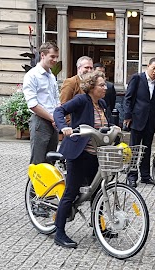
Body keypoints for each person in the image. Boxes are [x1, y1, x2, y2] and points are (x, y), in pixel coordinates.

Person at [53, 70, 111, 248]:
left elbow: (103, 126)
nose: (105, 88)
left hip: (95, 155)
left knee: (97, 192)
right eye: (101, 85)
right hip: (79, 153)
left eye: (104, 85)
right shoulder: (81, 100)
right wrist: (64, 128)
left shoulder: (101, 103)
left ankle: (98, 228)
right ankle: (59, 233)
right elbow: (59, 111)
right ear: (91, 87)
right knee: (70, 192)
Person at [123, 57, 155, 188]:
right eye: (154, 68)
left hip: (151, 122)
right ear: (148, 66)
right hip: (137, 119)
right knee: (134, 149)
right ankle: (131, 176)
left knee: (147, 149)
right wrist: (127, 116)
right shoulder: (137, 78)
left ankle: (145, 176)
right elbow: (128, 98)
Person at [22, 42, 60, 164]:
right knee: (38, 162)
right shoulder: (32, 76)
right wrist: (52, 118)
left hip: (52, 122)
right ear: (43, 55)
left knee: (50, 160)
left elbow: (56, 98)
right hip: (40, 121)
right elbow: (33, 104)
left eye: (56, 57)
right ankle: (33, 184)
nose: (55, 60)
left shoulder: (51, 76)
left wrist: (57, 116)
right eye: (52, 56)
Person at [59, 56, 94, 124]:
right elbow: (64, 103)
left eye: (91, 68)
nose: (89, 70)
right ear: (79, 68)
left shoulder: (92, 84)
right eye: (86, 67)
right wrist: (69, 123)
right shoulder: (71, 82)